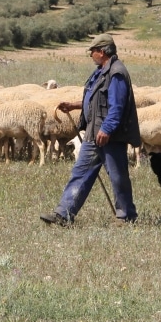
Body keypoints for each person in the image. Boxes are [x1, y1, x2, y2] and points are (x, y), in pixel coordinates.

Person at [40, 33, 142, 226]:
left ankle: (126, 216)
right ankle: (64, 214)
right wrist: (74, 105)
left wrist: (107, 129)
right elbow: (96, 99)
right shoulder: (101, 70)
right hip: (93, 134)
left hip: (109, 136)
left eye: (93, 51)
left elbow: (117, 106)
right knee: (80, 173)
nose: (91, 55)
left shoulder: (116, 73)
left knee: (118, 176)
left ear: (102, 52)